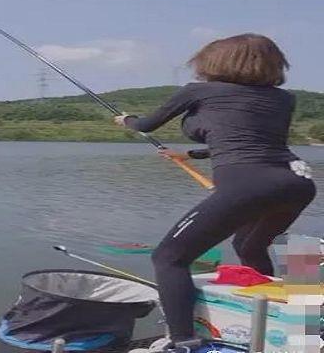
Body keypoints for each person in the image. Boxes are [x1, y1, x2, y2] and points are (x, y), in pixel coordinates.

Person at [115, 33, 316, 352]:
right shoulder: (283, 98)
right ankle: (262, 318)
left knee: (169, 259)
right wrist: (191, 156)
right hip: (297, 180)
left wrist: (127, 120)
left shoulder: (198, 90)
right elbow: (252, 140)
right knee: (249, 246)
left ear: (215, 62)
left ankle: (183, 342)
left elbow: (147, 125)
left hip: (250, 183)